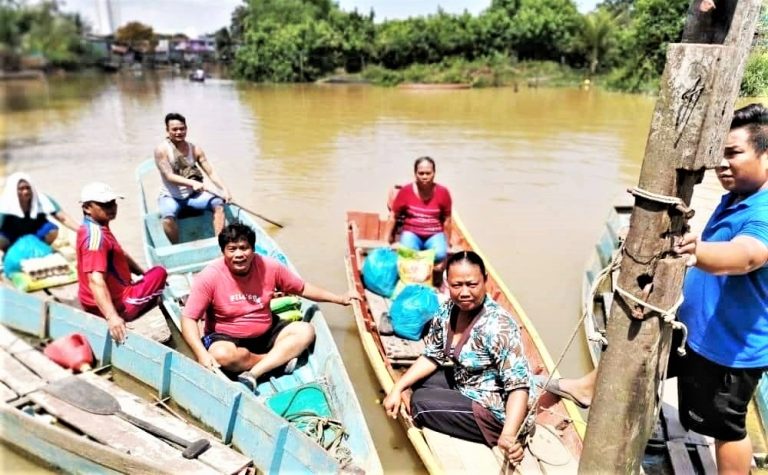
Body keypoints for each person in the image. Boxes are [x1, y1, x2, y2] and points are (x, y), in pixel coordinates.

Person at [547, 103, 768, 474]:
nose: (722, 164)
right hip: (693, 327)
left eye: (733, 153)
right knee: (637, 353)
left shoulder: (764, 211)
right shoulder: (738, 197)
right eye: (720, 154)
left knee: (724, 427)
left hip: (727, 347)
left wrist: (697, 252)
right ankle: (588, 387)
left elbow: (747, 255)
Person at [382, 251, 534, 465]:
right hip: (467, 381)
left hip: (495, 408)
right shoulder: (447, 310)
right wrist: (397, 388)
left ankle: (495, 431)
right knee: (415, 382)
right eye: (456, 285)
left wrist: (509, 434)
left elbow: (518, 386)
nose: (464, 292)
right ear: (447, 283)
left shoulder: (498, 326)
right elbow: (432, 355)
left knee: (420, 402)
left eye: (472, 284)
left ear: (485, 281)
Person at [180, 222, 360, 391]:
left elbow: (302, 288)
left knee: (306, 331)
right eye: (232, 249)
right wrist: (201, 353)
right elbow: (189, 318)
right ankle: (278, 361)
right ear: (223, 252)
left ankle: (254, 373)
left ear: (253, 249)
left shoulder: (269, 267)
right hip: (226, 336)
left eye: (244, 248)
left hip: (267, 330)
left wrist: (338, 298)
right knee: (221, 355)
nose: (239, 254)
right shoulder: (209, 276)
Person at [77, 182, 168, 343]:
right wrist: (112, 317)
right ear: (87, 208)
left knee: (153, 275)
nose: (111, 208)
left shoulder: (92, 227)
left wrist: (143, 274)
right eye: (104, 204)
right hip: (116, 305)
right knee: (160, 274)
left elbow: (121, 254)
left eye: (113, 202)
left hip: (102, 299)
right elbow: (96, 281)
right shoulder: (95, 238)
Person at [154, 112, 232, 244]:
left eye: (182, 129)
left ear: (186, 129)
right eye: (174, 129)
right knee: (167, 219)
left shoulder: (195, 149)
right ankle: (177, 247)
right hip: (171, 196)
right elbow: (169, 176)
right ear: (167, 130)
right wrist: (192, 182)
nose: (179, 132)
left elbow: (211, 172)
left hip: (193, 195)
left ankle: (219, 243)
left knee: (218, 204)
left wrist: (225, 190)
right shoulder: (161, 150)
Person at [383, 157, 457, 272]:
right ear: (415, 174)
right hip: (412, 232)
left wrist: (447, 244)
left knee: (440, 254)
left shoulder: (443, 193)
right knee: (407, 253)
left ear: (434, 173)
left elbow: (447, 220)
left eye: (428, 173)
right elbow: (393, 216)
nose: (424, 177)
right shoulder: (406, 191)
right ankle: (423, 265)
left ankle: (421, 264)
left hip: (434, 233)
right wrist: (385, 241)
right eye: (421, 173)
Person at [0, 172, 79, 252]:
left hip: (36, 234)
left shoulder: (42, 199)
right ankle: (10, 252)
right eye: (21, 189)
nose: (25, 192)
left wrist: (81, 231)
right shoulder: (4, 204)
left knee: (52, 231)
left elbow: (63, 218)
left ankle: (38, 249)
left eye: (28, 188)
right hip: (12, 236)